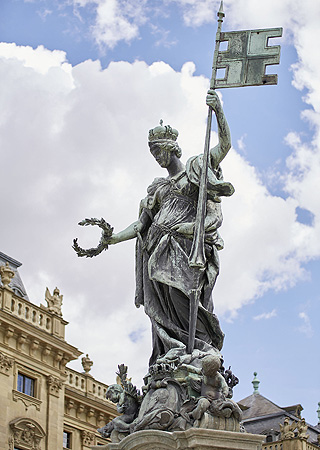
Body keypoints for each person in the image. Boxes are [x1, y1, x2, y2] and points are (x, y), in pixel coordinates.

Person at [107, 89, 234, 366]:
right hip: (157, 252)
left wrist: (219, 112)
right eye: (153, 153)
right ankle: (173, 348)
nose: (156, 157)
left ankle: (197, 347)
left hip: (185, 249)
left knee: (184, 299)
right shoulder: (159, 186)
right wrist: (112, 238)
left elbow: (224, 146)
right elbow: (142, 224)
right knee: (162, 307)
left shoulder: (195, 169)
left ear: (171, 148)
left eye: (159, 151)